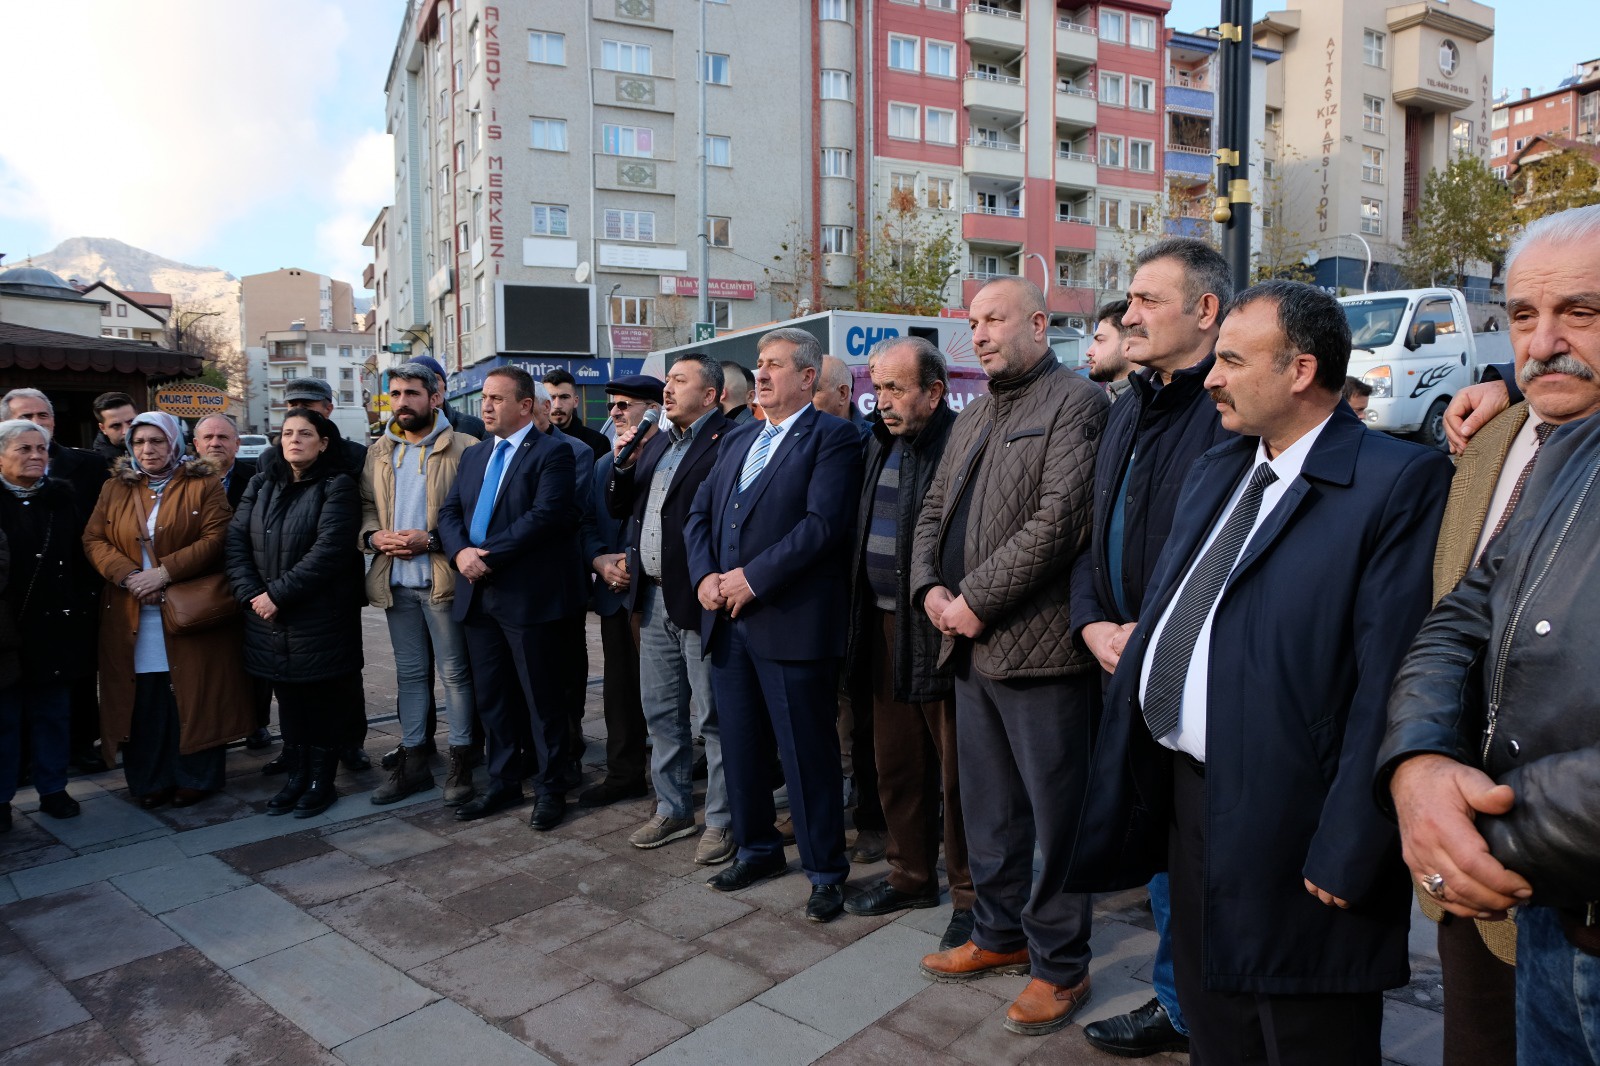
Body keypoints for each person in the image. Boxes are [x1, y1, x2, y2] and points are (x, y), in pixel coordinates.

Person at [1077, 280, 1452, 1064]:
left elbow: (1389, 680)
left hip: (1299, 822)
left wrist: (1355, 844)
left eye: (1233, 361)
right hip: (1194, 797)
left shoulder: (1396, 483)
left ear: (1300, 371)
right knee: (1218, 1024)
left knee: (1302, 1031)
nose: (1211, 378)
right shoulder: (1225, 465)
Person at [1379, 204, 1600, 1066]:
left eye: (1580, 312)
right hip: (1532, 909)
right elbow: (1462, 613)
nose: (1543, 342)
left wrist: (1472, 836)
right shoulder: (1542, 438)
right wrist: (1418, 767)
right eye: (1520, 317)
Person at [909, 277, 1109, 1036]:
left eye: (994, 319)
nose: (981, 334)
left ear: (1038, 322)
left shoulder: (1079, 404)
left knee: (1057, 820)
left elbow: (1061, 521)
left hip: (1040, 652)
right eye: (972, 322)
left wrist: (976, 600)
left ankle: (1063, 966)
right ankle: (997, 937)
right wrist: (930, 585)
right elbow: (934, 508)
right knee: (989, 813)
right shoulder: (975, 412)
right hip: (968, 649)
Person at [1070, 237, 1235, 1058]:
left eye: (1145, 300)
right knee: (1165, 853)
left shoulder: (1234, 408)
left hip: (1196, 674)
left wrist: (1157, 634)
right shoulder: (1132, 403)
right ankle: (1178, 1002)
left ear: (1205, 312)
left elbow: (1229, 551)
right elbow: (1095, 531)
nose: (1127, 315)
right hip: (1119, 660)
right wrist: (1092, 620)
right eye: (1128, 301)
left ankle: (1209, 1013)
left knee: (1205, 857)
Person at [684, 327, 865, 923]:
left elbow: (821, 526)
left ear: (808, 377)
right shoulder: (739, 438)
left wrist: (750, 579)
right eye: (758, 365)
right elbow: (700, 514)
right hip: (728, 622)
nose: (760, 375)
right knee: (738, 746)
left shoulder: (832, 438)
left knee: (804, 752)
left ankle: (824, 871)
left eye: (775, 366)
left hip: (790, 623)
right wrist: (707, 577)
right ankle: (758, 848)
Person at [841, 336, 973, 949]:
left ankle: (973, 896)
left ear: (935, 393)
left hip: (940, 628)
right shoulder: (878, 442)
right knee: (896, 764)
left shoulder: (958, 445)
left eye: (895, 388)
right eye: (876, 386)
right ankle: (910, 874)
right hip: (882, 625)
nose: (882, 400)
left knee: (958, 775)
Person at [83, 412, 252, 808]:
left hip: (187, 607)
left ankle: (195, 774)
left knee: (193, 692)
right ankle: (149, 779)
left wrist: (162, 573)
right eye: (140, 442)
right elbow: (93, 538)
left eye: (157, 441)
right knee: (143, 696)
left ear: (175, 443)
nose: (148, 449)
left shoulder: (203, 483)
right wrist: (129, 576)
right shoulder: (114, 488)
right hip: (131, 610)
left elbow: (217, 537)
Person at [438, 366, 582, 829]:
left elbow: (546, 517)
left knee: (542, 699)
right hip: (477, 594)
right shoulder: (475, 455)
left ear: (525, 406)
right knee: (493, 696)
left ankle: (551, 787)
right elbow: (449, 511)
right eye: (484, 398)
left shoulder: (552, 454)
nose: (486, 405)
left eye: (497, 399)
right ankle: (502, 781)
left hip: (527, 597)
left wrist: (487, 557)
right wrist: (460, 553)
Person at [607, 354, 735, 861]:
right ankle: (673, 807)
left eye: (679, 382)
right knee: (660, 712)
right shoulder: (656, 441)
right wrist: (622, 462)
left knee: (713, 719)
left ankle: (723, 821)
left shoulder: (731, 440)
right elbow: (621, 507)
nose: (667, 390)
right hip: (651, 593)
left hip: (700, 598)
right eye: (668, 381)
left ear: (710, 395)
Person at [226, 408, 367, 818]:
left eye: (305, 433)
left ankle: (322, 782)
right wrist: (253, 594)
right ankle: (296, 777)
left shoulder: (336, 485)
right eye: (287, 433)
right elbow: (235, 541)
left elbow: (329, 552)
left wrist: (278, 596)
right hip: (267, 615)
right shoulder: (260, 483)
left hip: (317, 615)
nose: (294, 440)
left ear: (323, 442)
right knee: (287, 699)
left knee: (320, 701)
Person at [359, 362, 479, 808]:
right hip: (396, 584)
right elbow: (367, 505)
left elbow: (475, 517)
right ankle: (413, 763)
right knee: (410, 676)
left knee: (455, 675)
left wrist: (430, 540)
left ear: (435, 397)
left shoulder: (466, 448)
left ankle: (462, 761)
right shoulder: (378, 452)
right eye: (395, 394)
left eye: (412, 393)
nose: (403, 402)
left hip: (442, 583)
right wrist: (372, 536)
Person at [257, 377, 371, 773]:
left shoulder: (353, 457)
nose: (299, 410)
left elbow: (344, 530)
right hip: (283, 581)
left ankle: (350, 743)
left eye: (308, 405)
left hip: (334, 582)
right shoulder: (272, 462)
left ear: (328, 409)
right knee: (290, 671)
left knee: (341, 671)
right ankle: (297, 747)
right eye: (292, 405)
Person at [0, 389, 108, 769]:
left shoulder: (76, 480)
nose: (35, 452)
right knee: (7, 715)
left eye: (42, 416)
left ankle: (59, 776)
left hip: (62, 613)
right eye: (25, 418)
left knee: (59, 706)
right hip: (8, 623)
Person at [577, 375, 662, 808]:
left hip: (660, 595)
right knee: (621, 692)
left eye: (625, 405)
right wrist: (600, 561)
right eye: (613, 405)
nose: (614, 412)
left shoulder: (672, 456)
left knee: (670, 695)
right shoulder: (601, 464)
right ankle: (624, 774)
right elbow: (588, 524)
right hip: (616, 593)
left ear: (654, 409)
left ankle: (675, 787)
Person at [0, 419, 89, 826]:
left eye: (42, 449)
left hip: (54, 627)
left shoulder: (61, 499)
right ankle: (2, 800)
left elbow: (76, 561)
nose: (36, 456)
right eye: (25, 449)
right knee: (4, 720)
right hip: (4, 631)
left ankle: (53, 789)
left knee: (53, 714)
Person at [411, 355, 488, 440]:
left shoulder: (473, 427)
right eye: (423, 380)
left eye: (436, 379)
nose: (432, 385)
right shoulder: (400, 433)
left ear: (445, 386)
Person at [543, 368, 610, 458]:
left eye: (564, 397)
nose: (557, 405)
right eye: (551, 398)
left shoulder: (597, 442)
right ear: (543, 402)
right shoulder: (528, 440)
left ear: (576, 401)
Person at [1086, 299, 1135, 398]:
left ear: (1129, 344)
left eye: (1100, 341)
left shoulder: (1153, 401)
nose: (1088, 352)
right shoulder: (1106, 397)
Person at [89, 392, 138, 467]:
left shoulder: (160, 451)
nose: (126, 431)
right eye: (116, 426)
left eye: (131, 422)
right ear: (103, 428)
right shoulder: (95, 466)